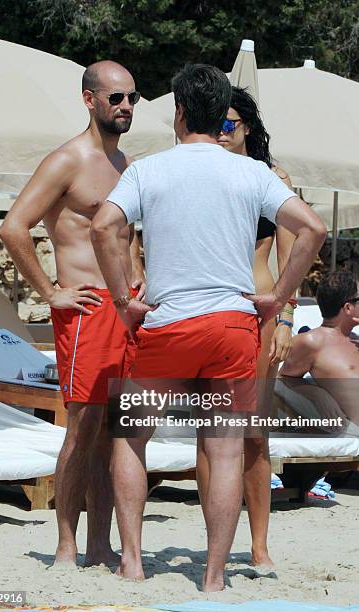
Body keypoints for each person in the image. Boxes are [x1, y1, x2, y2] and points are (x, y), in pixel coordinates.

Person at [90, 62, 326, 591]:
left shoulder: (149, 170)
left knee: (130, 438)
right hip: (231, 325)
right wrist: (279, 298)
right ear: (222, 116)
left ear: (177, 112)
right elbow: (312, 228)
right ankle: (214, 577)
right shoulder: (251, 172)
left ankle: (131, 562)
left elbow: (105, 225)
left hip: (167, 323)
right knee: (223, 449)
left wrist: (124, 298)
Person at [0, 60, 145, 568]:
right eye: (116, 98)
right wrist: (50, 293)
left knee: (115, 431)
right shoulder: (67, 159)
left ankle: (101, 544)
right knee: (82, 428)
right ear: (89, 100)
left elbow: (126, 237)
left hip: (127, 310)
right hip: (85, 308)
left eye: (132, 98)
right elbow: (14, 227)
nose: (126, 106)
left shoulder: (127, 163)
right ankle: (65, 543)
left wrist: (141, 279)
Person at [208, 86, 297, 568]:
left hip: (260, 310)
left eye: (229, 125)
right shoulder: (199, 172)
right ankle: (215, 543)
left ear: (248, 128)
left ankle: (259, 545)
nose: (220, 134)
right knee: (214, 431)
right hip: (209, 308)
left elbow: (292, 252)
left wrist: (286, 316)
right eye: (214, 124)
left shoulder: (269, 178)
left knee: (254, 433)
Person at [279, 270, 359, 422]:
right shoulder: (312, 342)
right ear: (348, 308)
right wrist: (315, 394)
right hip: (352, 435)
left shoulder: (355, 340)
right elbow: (281, 380)